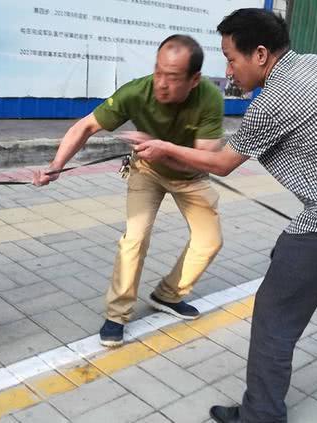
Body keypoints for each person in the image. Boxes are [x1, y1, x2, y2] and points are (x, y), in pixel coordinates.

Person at [125, 9, 317, 423]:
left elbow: (219, 163)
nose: (228, 69)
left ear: (259, 54)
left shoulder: (274, 102)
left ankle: (261, 415)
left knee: (274, 320)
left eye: (231, 58)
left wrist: (163, 147)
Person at [33, 34, 225, 347]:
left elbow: (207, 158)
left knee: (210, 240)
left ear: (194, 80)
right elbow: (85, 126)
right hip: (147, 171)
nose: (161, 83)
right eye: (158, 71)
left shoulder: (210, 99)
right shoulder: (137, 91)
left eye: (173, 77)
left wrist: (165, 150)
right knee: (134, 239)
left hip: (190, 175)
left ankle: (168, 294)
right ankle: (117, 313)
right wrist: (56, 166)